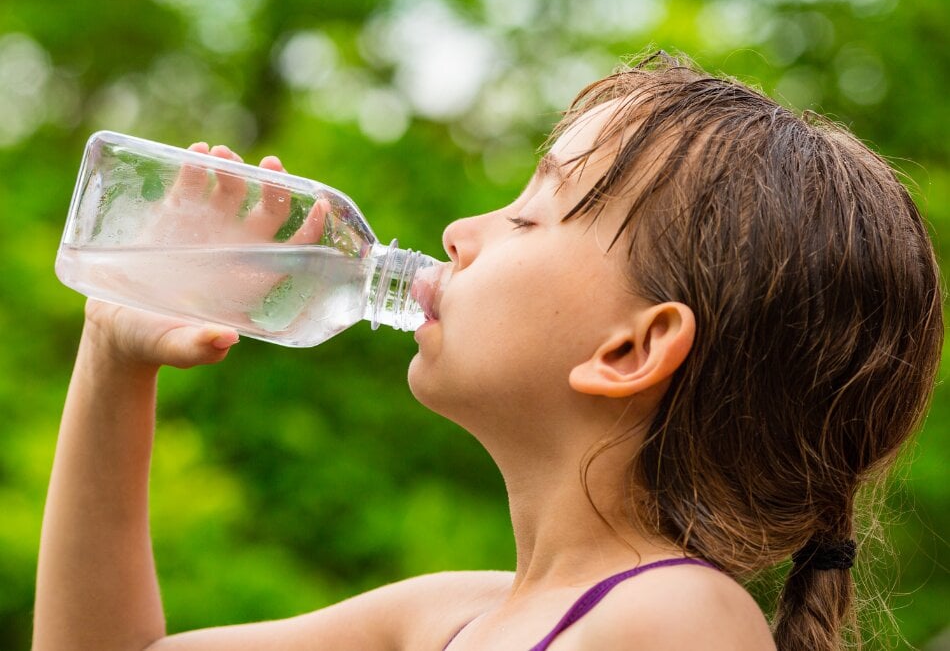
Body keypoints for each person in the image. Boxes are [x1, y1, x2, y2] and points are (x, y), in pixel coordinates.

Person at [33, 51, 943, 651]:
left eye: (529, 213)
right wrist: (116, 354)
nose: (461, 230)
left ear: (631, 349)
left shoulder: (675, 617)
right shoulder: (448, 616)